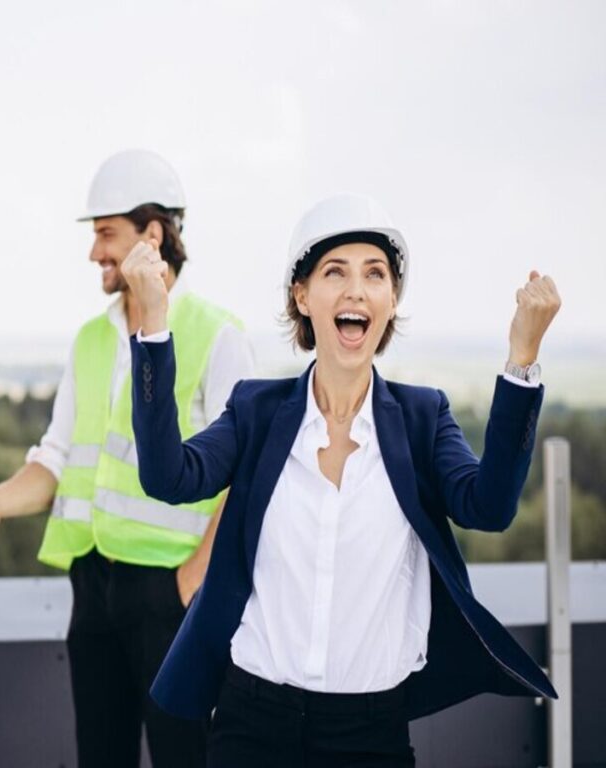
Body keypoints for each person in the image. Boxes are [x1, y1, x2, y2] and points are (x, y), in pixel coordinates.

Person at [122, 193, 562, 767]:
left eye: (375, 274)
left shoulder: (423, 418)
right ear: (301, 296)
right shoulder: (256, 409)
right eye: (335, 272)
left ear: (391, 299)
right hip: (250, 723)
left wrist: (522, 356)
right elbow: (168, 475)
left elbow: (491, 506)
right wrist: (154, 322)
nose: (356, 289)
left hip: (369, 733)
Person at [0, 150, 255, 767]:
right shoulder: (91, 339)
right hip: (93, 587)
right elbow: (54, 459)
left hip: (172, 593)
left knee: (187, 758)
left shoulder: (218, 335)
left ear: (152, 236)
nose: (95, 252)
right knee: (100, 757)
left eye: (106, 234)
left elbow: (249, 479)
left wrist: (193, 582)